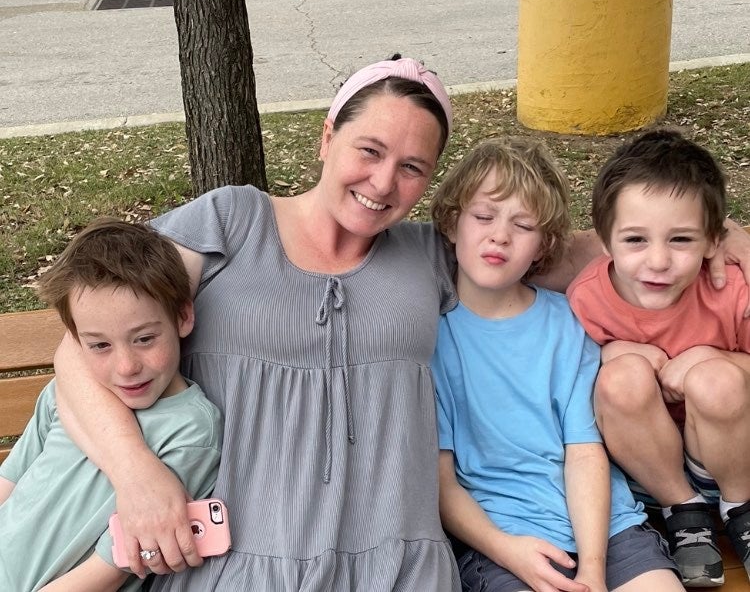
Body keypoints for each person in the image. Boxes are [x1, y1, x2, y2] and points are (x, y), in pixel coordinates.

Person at [50, 57, 750, 591]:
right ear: (327, 136)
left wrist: (726, 234)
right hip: (241, 561)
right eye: (369, 150)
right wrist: (137, 475)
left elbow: (572, 242)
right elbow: (84, 342)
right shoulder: (233, 222)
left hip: (398, 566)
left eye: (413, 168)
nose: (384, 183)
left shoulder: (428, 257)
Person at [430, 138, 683, 592]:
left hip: (607, 531)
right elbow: (441, 481)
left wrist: (591, 567)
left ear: (543, 244)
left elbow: (585, 451)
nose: (499, 235)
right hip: (503, 544)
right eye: (484, 216)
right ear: (452, 222)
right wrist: (508, 550)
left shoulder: (567, 321)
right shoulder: (428, 336)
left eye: (522, 224)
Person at [566, 129, 750, 587]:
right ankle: (684, 514)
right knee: (619, 377)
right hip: (650, 472)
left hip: (732, 455)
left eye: (681, 240)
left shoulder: (731, 290)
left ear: (713, 241)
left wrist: (718, 357)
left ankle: (742, 512)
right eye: (635, 240)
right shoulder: (588, 301)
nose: (658, 261)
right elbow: (577, 395)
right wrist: (610, 352)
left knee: (716, 380)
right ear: (604, 242)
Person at [0, 218, 222, 592]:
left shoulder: (193, 432)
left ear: (183, 317)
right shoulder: (69, 392)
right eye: (100, 345)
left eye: (145, 339)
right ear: (75, 340)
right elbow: (10, 479)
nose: (126, 367)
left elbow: (112, 568)